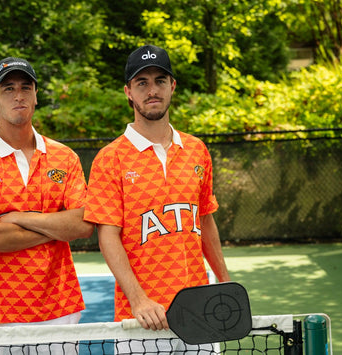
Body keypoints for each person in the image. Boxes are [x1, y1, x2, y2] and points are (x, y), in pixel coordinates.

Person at [84, 45, 230, 352]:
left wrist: (225, 282)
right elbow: (107, 236)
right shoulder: (110, 159)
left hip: (198, 312)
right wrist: (139, 300)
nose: (152, 90)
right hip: (141, 322)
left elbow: (205, 220)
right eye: (142, 83)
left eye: (160, 81)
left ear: (172, 86)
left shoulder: (197, 150)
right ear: (128, 92)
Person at [0, 57, 94, 336]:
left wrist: (20, 218)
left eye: (25, 87)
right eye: (8, 88)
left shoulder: (65, 157)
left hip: (59, 309)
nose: (18, 95)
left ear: (35, 96)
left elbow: (83, 224)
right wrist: (56, 229)